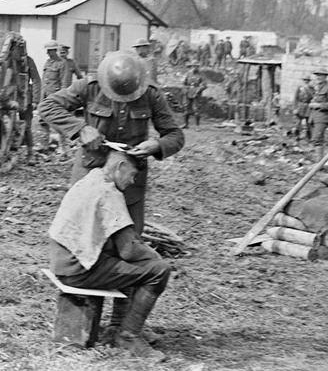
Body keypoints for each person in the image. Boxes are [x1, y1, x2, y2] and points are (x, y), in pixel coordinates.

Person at [38, 50, 184, 236]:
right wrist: (80, 129)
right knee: (80, 231)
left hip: (129, 177)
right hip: (91, 169)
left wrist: (156, 145)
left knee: (128, 236)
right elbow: (47, 106)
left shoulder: (151, 94)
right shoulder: (88, 87)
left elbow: (175, 135)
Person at [48, 150, 171, 357]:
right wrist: (154, 257)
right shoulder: (109, 193)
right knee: (159, 271)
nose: (132, 181)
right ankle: (128, 336)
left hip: (63, 261)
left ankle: (120, 325)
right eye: (132, 175)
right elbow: (129, 250)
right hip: (78, 270)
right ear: (120, 166)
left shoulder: (91, 178)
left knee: (133, 265)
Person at [39, 40, 65, 150]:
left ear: (55, 51)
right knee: (43, 120)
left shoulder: (62, 64)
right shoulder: (47, 62)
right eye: (47, 51)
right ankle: (44, 144)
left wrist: (62, 99)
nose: (48, 53)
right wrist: (40, 98)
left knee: (58, 120)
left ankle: (63, 147)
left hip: (55, 97)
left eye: (50, 51)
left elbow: (64, 83)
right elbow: (44, 81)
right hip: (45, 96)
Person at [308, 69, 328, 160]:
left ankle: (318, 162)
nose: (318, 77)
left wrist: (319, 105)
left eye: (320, 75)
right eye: (317, 75)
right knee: (316, 138)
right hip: (314, 116)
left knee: (317, 138)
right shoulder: (317, 88)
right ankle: (316, 160)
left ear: (325, 77)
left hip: (323, 117)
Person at [182, 63, 206, 128]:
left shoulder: (201, 75)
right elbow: (183, 83)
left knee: (196, 109)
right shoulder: (188, 74)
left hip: (196, 93)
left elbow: (204, 85)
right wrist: (185, 90)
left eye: (196, 66)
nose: (195, 67)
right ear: (191, 66)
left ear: (198, 67)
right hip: (188, 92)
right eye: (193, 66)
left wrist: (198, 90)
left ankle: (197, 126)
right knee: (186, 108)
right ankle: (186, 124)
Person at [293, 75, 315, 142]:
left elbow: (313, 97)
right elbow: (295, 98)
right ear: (303, 81)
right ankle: (297, 136)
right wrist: (295, 108)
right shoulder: (299, 88)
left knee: (308, 122)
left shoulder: (311, 88)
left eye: (307, 80)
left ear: (309, 81)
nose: (306, 81)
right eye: (305, 80)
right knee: (298, 122)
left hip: (308, 106)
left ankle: (309, 137)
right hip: (300, 106)